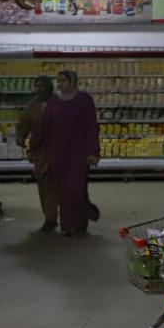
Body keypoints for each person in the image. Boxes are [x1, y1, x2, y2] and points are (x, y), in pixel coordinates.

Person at [31, 69, 100, 238]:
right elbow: (43, 127)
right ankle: (70, 226)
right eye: (59, 81)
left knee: (75, 187)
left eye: (64, 81)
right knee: (62, 190)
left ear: (73, 82)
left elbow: (91, 126)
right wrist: (33, 148)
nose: (60, 84)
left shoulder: (84, 100)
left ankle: (86, 214)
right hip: (58, 152)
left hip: (79, 151)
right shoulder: (54, 102)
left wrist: (94, 151)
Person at [16, 75, 57, 232]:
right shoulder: (32, 106)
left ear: (49, 87)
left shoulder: (61, 103)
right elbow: (23, 124)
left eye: (42, 85)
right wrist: (21, 136)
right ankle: (50, 218)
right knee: (45, 185)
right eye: (37, 86)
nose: (39, 88)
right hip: (40, 152)